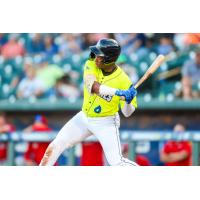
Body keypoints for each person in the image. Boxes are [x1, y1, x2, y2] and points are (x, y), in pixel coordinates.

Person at [39, 38, 138, 166]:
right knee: (56, 145)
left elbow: (127, 112)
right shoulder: (91, 63)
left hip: (106, 121)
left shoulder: (124, 81)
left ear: (109, 59)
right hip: (84, 117)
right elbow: (92, 86)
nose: (96, 57)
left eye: (100, 56)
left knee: (117, 162)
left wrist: (128, 101)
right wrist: (118, 93)